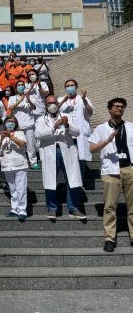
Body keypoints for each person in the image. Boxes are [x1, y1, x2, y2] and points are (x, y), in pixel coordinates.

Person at [89, 98, 133, 253]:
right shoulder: (101, 128)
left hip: (129, 169)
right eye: (116, 106)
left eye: (122, 106)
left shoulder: (130, 127)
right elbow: (92, 149)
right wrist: (107, 141)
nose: (119, 109)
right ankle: (109, 238)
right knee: (109, 207)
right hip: (110, 172)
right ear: (109, 109)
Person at [35, 95, 86, 220]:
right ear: (46, 106)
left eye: (54, 102)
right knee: (50, 180)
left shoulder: (67, 116)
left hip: (67, 151)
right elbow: (38, 134)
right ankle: (52, 208)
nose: (52, 105)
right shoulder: (41, 119)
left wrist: (68, 125)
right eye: (49, 103)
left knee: (72, 180)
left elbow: (77, 132)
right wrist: (54, 126)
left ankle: (73, 208)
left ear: (58, 104)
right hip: (51, 152)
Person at [58, 79, 94, 182]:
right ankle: (67, 183)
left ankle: (80, 183)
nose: (70, 87)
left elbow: (90, 112)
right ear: (65, 88)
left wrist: (85, 101)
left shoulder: (83, 99)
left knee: (80, 160)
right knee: (67, 160)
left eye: (72, 85)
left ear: (76, 87)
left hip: (80, 134)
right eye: (68, 86)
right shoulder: (61, 99)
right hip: (66, 133)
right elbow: (54, 110)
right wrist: (63, 101)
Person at [0, 116, 29, 221]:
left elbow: (23, 143)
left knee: (21, 187)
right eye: (8, 121)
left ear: (16, 124)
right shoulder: (1, 134)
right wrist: (2, 138)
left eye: (12, 122)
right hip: (7, 164)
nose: (10, 123)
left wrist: (10, 136)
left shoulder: (20, 133)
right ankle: (14, 208)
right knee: (12, 187)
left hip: (19, 164)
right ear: (5, 123)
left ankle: (22, 209)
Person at [8, 80, 39, 169]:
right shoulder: (12, 98)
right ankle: (21, 163)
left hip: (29, 124)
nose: (21, 86)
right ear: (16, 88)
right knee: (19, 145)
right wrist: (20, 100)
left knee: (31, 145)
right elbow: (10, 107)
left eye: (22, 85)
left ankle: (33, 163)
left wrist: (28, 99)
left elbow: (34, 107)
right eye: (19, 85)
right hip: (18, 125)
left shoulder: (29, 96)